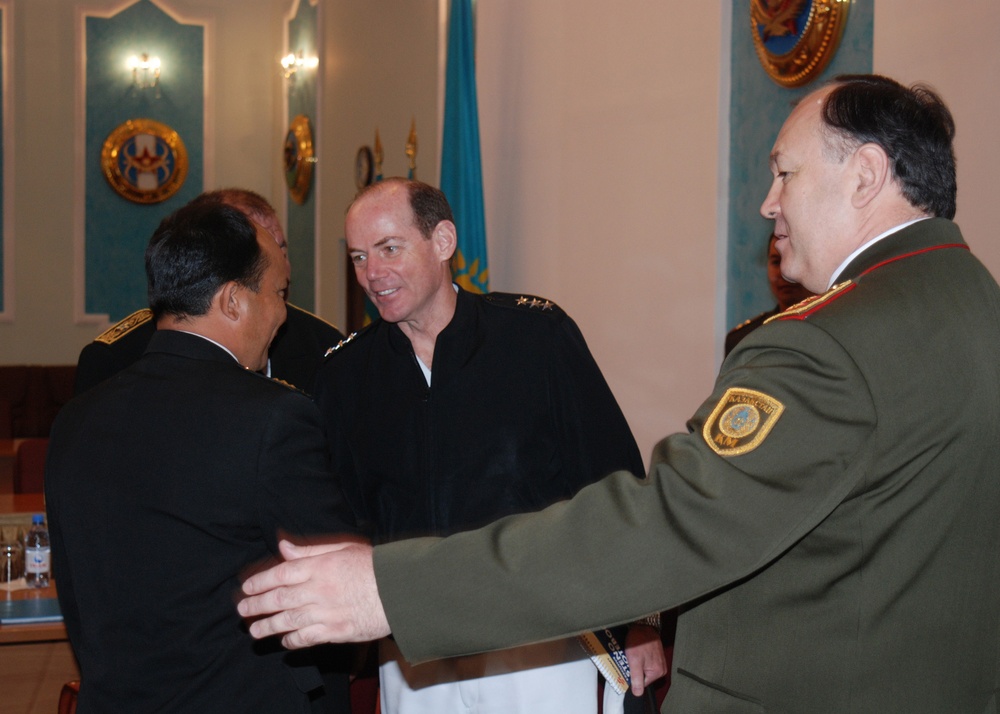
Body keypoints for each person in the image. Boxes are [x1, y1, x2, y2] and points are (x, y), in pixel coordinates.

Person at [239, 75, 1000, 712]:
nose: (769, 202)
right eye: (357, 256)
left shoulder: (826, 343)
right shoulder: (970, 302)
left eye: (786, 173)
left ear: (865, 174)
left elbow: (663, 520)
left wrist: (390, 590)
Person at [311, 177, 666, 714]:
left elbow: (613, 480)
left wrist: (641, 619)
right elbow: (344, 516)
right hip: (413, 646)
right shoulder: (346, 375)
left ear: (443, 241)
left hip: (537, 637)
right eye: (359, 257)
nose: (372, 275)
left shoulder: (535, 338)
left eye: (389, 249)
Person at [46, 201, 357, 712]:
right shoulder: (273, 418)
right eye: (278, 293)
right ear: (234, 301)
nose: (282, 314)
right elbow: (333, 594)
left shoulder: (76, 420)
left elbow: (76, 599)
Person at [73, 188, 343, 395]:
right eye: (258, 255)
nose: (280, 267)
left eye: (281, 249)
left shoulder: (323, 344)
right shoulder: (117, 358)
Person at [724, 232, 814, 355]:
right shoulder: (744, 339)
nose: (783, 272)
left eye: (792, 260)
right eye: (776, 262)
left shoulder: (832, 331)